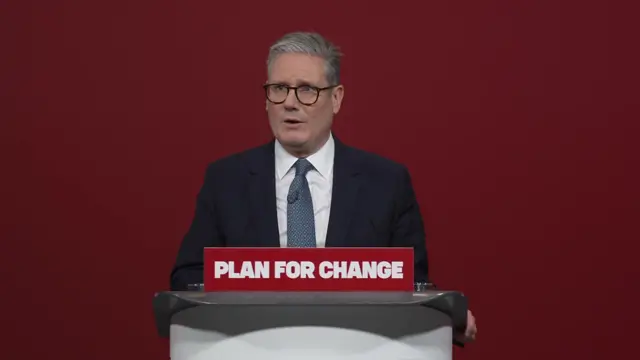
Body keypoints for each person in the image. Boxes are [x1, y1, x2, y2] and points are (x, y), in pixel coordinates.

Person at [169, 31, 476, 343]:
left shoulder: (386, 183)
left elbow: (412, 285)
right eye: (278, 89)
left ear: (337, 98)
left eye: (306, 90)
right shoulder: (227, 180)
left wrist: (443, 314)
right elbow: (188, 279)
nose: (290, 103)